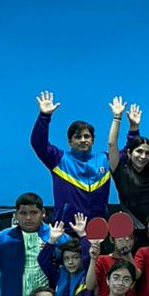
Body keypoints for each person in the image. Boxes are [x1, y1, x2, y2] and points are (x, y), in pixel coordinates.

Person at [31, 91, 113, 224]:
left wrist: (133, 128)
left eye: (87, 136)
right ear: (69, 141)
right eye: (78, 137)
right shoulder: (58, 159)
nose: (83, 140)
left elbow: (130, 154)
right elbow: (38, 143)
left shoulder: (105, 160)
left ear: (93, 140)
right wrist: (44, 116)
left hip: (97, 228)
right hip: (66, 228)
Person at [108, 99, 149, 230]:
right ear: (129, 153)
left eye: (147, 153)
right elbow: (112, 144)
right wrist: (117, 117)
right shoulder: (120, 171)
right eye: (139, 151)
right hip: (131, 230)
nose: (143, 156)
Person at [37, 215, 91, 296]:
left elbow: (89, 256)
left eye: (75, 257)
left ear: (82, 258)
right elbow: (43, 261)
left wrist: (83, 235)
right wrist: (51, 241)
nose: (70, 262)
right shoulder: (58, 274)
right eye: (66, 258)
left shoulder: (88, 274)